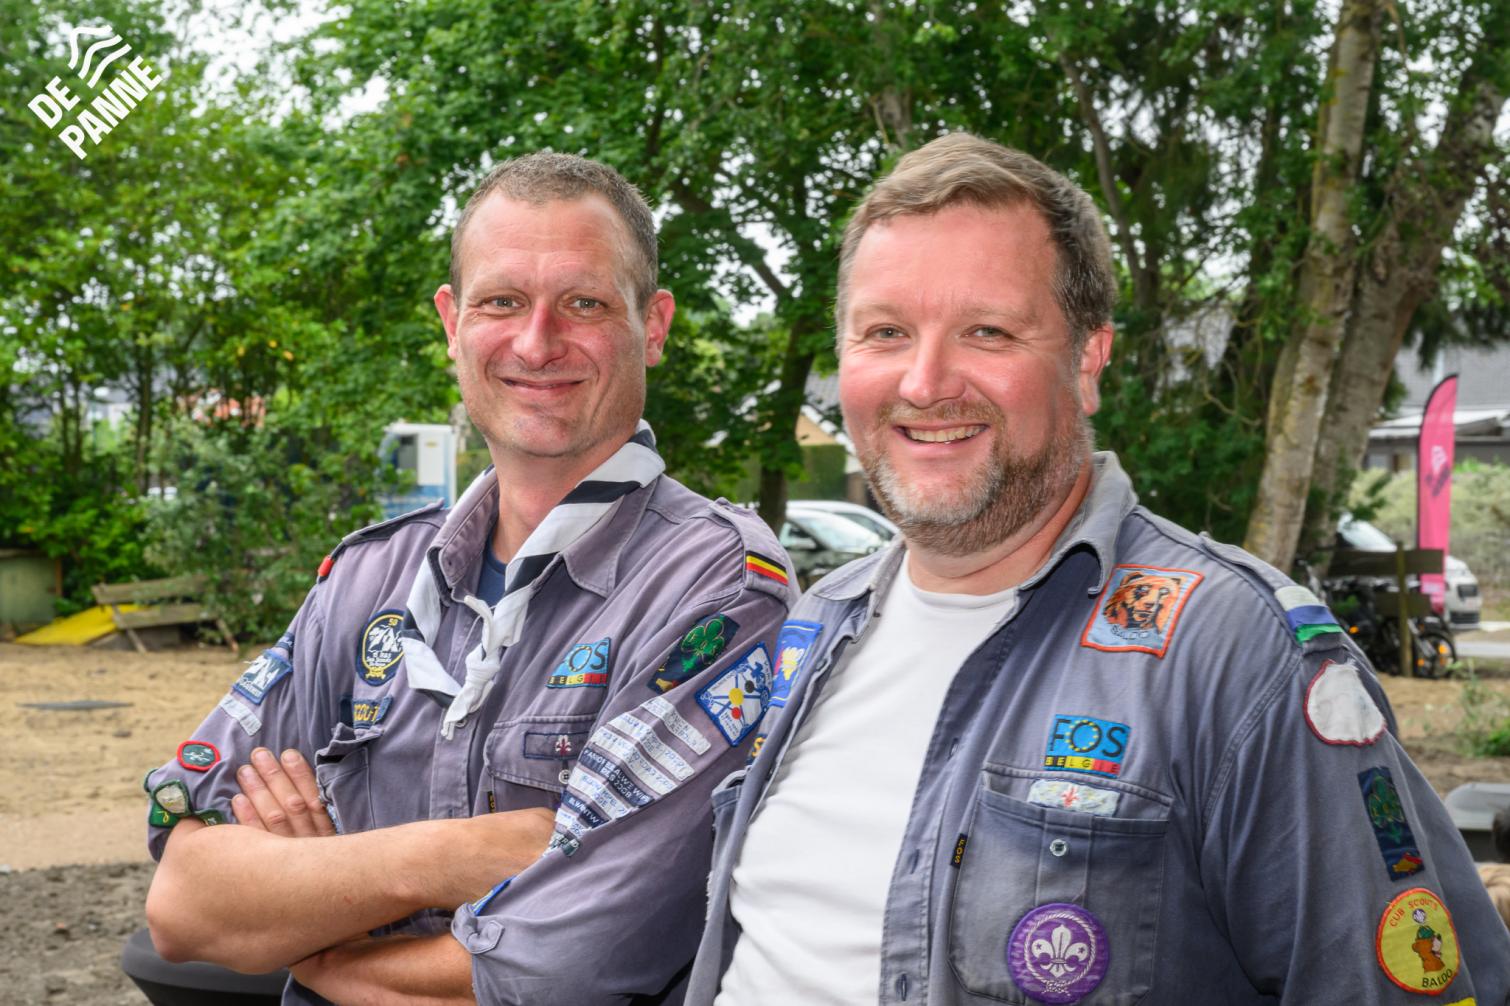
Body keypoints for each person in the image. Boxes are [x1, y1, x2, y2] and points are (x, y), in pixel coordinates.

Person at [687, 132, 1510, 1004]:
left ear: (1087, 361)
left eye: (987, 331)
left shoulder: (1240, 659)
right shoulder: (819, 621)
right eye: (885, 332)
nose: (924, 383)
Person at [143, 152, 795, 1005]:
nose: (537, 342)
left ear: (655, 325)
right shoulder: (369, 577)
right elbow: (183, 904)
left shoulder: (716, 590)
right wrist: (446, 858)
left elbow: (564, 971)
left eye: (585, 303)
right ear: (453, 323)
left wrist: (318, 933)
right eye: (501, 302)